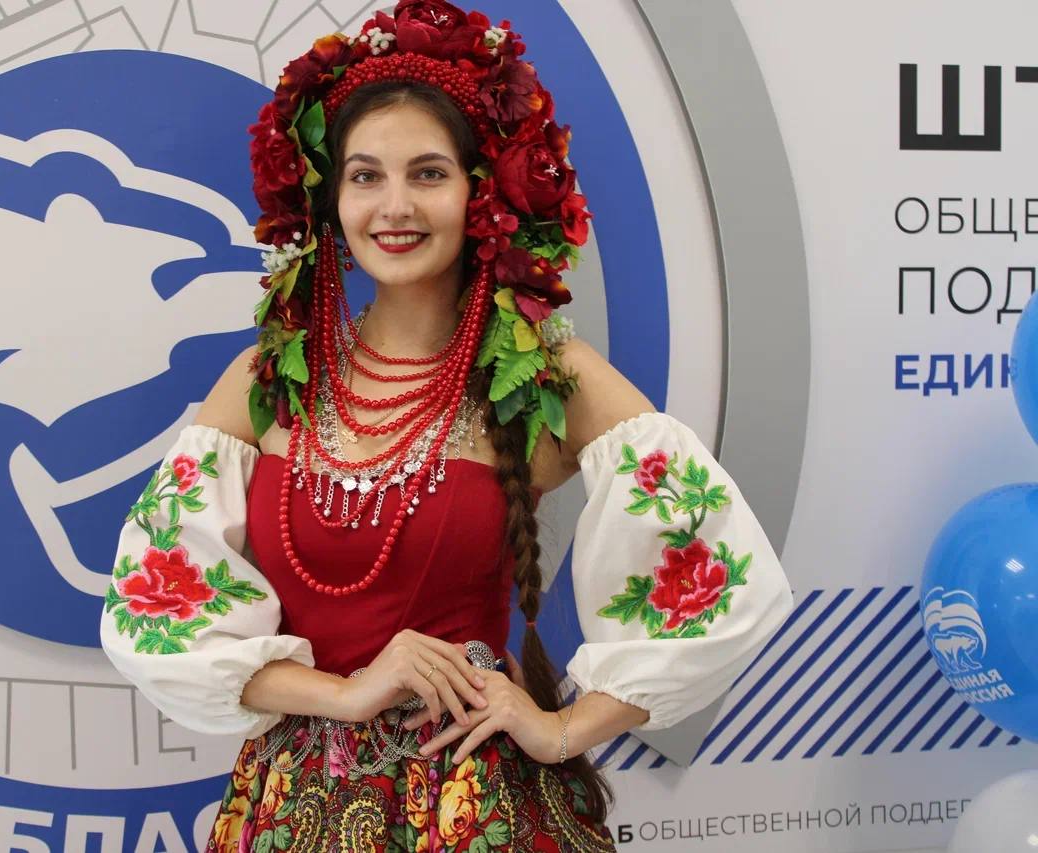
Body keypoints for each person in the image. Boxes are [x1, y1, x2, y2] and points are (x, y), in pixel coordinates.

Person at [99, 2, 795, 850]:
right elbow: (153, 612)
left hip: (473, 809)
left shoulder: (545, 376)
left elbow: (724, 578)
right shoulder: (268, 378)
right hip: (287, 812)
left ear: (481, 192)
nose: (394, 206)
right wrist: (345, 691)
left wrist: (563, 729)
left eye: (428, 173)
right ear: (329, 199)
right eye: (365, 176)